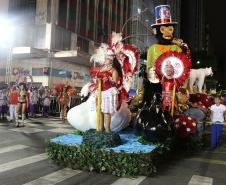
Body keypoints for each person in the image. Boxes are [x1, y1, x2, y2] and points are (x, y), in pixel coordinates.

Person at [95, 48, 121, 132]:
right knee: (100, 110)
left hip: (108, 92)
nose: (106, 60)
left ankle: (107, 129)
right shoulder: (101, 69)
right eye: (105, 58)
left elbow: (116, 82)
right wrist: (97, 80)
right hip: (100, 91)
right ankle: (101, 128)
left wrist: (109, 79)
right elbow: (97, 77)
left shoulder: (113, 70)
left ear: (111, 60)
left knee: (106, 111)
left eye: (108, 58)